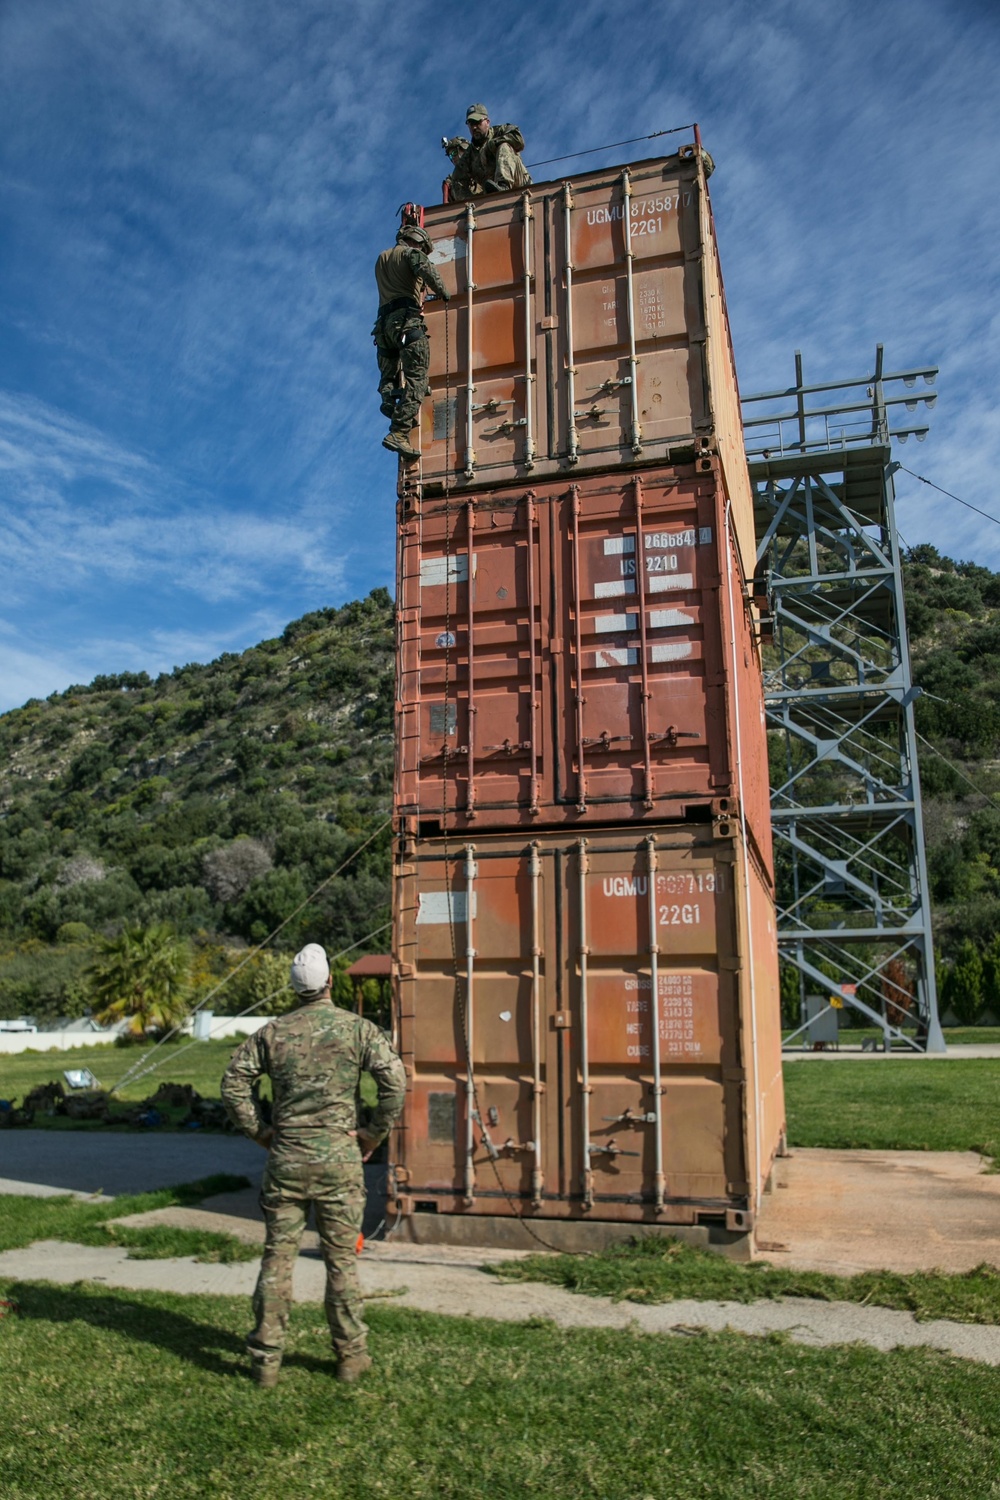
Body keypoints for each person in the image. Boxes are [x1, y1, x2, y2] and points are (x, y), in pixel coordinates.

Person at [221, 942, 406, 1388]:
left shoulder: (271, 1033)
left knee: (276, 1260)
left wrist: (261, 1133)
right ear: (329, 982)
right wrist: (372, 1134)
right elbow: (395, 1084)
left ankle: (265, 1361)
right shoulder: (357, 1030)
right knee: (341, 1262)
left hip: (285, 1160)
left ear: (293, 986)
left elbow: (233, 1084)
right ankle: (350, 1358)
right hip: (339, 1164)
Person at [374, 223, 450, 461]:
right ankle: (399, 431)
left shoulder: (382, 258)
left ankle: (389, 401)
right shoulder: (411, 253)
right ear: (416, 240)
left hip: (383, 327)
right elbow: (427, 271)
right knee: (418, 380)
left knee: (388, 375)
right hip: (406, 322)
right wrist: (443, 293)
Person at [447, 103, 532, 200]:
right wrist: (472, 200)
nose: (474, 128)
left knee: (503, 146)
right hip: (492, 193)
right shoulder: (469, 156)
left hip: (521, 183)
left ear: (487, 122)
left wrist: (492, 145)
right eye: (471, 124)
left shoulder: (500, 131)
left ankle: (504, 185)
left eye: (477, 122)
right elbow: (457, 179)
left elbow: (518, 140)